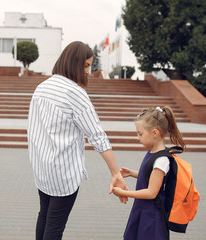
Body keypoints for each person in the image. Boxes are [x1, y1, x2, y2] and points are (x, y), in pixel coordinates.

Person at [27, 41, 128, 240]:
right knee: (55, 225)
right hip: (64, 173)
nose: (88, 72)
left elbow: (33, 129)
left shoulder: (42, 88)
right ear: (73, 64)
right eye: (86, 66)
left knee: (44, 215)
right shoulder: (75, 93)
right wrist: (115, 172)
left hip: (42, 168)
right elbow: (97, 136)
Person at [112, 106, 185, 240]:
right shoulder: (154, 153)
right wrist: (133, 173)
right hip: (143, 210)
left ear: (155, 133)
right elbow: (151, 176)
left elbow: (151, 192)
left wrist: (123, 193)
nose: (137, 138)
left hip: (152, 216)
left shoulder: (162, 160)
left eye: (140, 134)